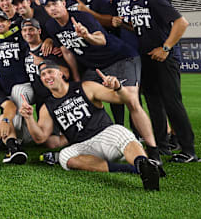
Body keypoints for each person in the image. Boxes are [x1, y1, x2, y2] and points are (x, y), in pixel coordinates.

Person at [43, 0, 161, 164]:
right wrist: (76, 79)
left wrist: (87, 36)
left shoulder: (82, 17)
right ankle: (104, 142)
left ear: (64, 4)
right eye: (48, 6)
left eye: (55, 3)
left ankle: (153, 152)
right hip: (96, 67)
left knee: (131, 100)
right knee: (80, 98)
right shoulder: (51, 26)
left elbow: (102, 40)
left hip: (120, 58)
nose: (52, 8)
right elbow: (67, 51)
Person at [19, 62, 162, 191]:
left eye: (50, 71)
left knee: (121, 133)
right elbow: (40, 137)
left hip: (106, 134)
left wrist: (118, 87)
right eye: (43, 74)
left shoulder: (85, 86)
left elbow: (122, 99)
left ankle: (145, 167)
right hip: (83, 146)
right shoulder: (47, 106)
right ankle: (132, 169)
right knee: (64, 156)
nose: (47, 76)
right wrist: (29, 118)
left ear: (60, 73)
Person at [113, 0, 200, 163]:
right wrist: (125, 24)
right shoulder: (135, 2)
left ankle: (189, 150)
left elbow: (181, 23)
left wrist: (166, 47)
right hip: (147, 59)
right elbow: (142, 29)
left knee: (172, 102)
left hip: (164, 58)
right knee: (153, 103)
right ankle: (162, 145)